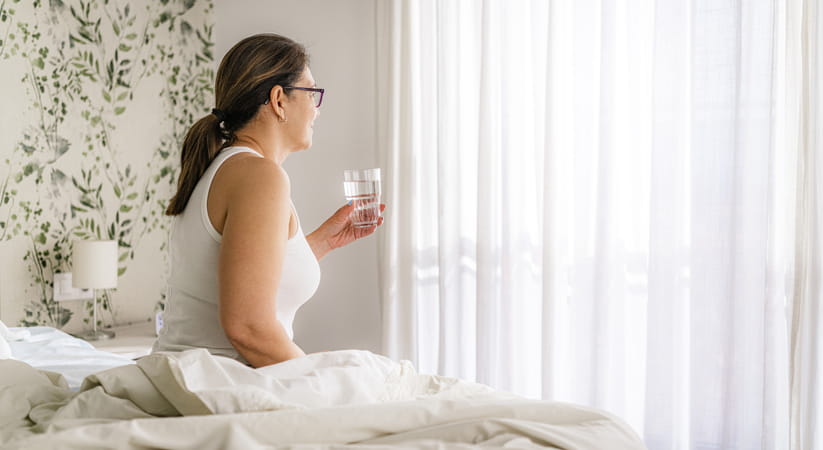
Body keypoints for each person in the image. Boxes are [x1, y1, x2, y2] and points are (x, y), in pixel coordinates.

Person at [152, 33, 384, 368]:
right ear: (278, 100)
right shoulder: (259, 176)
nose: (317, 111)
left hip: (193, 373)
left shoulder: (227, 164)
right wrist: (308, 370)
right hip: (218, 381)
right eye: (312, 94)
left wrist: (325, 241)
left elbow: (249, 270)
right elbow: (247, 328)